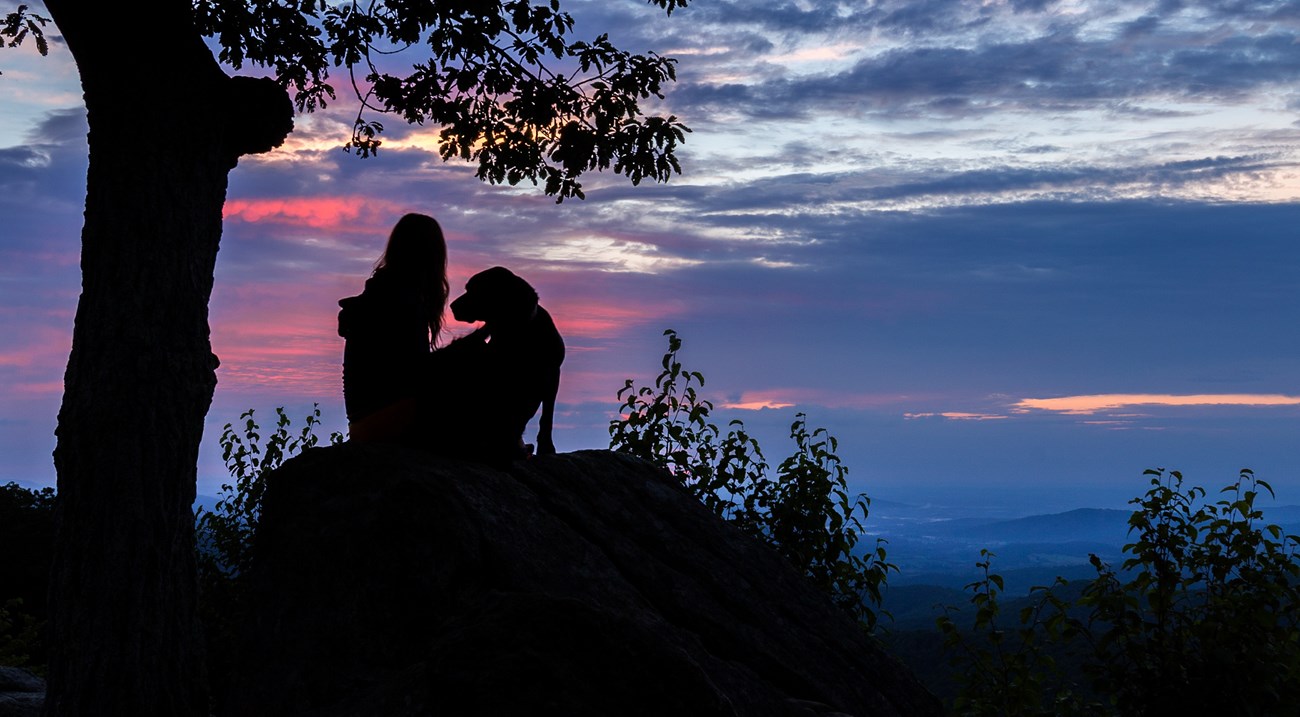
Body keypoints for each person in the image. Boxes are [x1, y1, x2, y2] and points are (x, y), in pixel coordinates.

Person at [338, 213, 450, 443]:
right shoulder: (401, 299)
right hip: (384, 421)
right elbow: (415, 371)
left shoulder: (382, 291)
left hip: (363, 423)